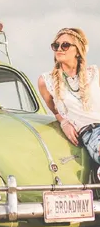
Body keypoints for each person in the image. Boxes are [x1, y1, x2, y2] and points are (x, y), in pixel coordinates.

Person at [38, 27, 100, 164]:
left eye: (65, 45)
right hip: (90, 133)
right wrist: (64, 122)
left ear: (78, 51)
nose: (59, 49)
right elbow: (55, 111)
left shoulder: (95, 73)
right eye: (56, 45)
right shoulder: (46, 81)